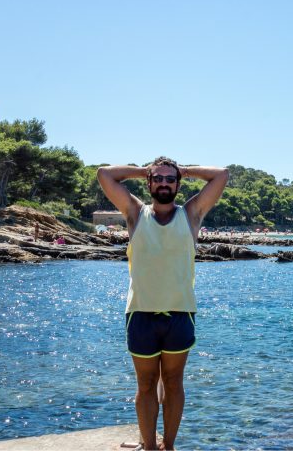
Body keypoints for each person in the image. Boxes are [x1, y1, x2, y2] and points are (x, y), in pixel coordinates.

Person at [97, 157, 228, 451]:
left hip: (179, 313)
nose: (165, 183)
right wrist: (141, 170)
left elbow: (221, 175)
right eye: (158, 178)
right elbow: (104, 174)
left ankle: (167, 446)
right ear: (150, 183)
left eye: (170, 179)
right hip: (141, 313)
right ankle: (150, 447)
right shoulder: (134, 213)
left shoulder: (191, 214)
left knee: (172, 382)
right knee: (145, 385)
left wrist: (187, 170)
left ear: (178, 184)